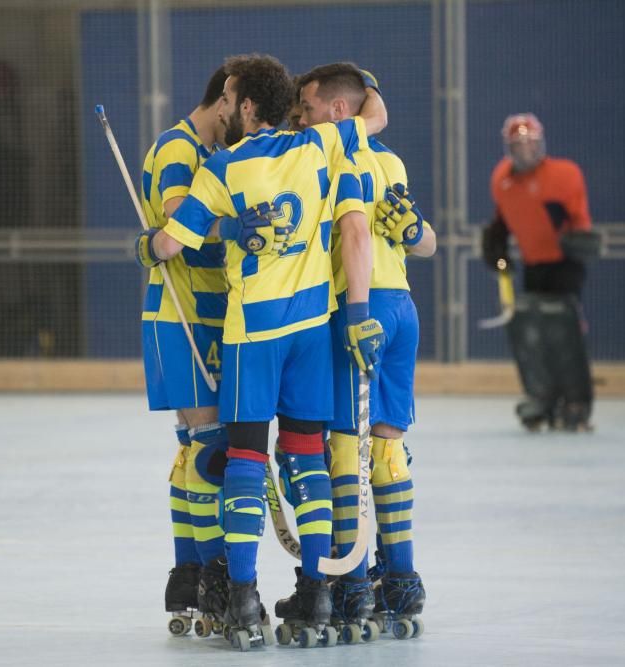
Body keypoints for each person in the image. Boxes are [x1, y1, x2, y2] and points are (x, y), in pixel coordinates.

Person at [135, 52, 384, 650]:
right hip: (310, 332)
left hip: (252, 336)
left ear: (245, 107)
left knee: (245, 461)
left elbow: (170, 242)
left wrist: (145, 247)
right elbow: (373, 113)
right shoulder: (320, 144)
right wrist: (358, 83)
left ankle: (243, 597)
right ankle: (318, 590)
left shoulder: (221, 169)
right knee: (307, 459)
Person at [296, 63, 435, 641]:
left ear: (336, 112)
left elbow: (355, 235)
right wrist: (414, 231)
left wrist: (354, 312)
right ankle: (399, 580)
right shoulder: (392, 160)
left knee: (346, 448)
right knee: (390, 444)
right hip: (404, 305)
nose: (299, 117)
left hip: (364, 306)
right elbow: (424, 243)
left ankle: (351, 585)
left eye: (306, 106)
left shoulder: (340, 157)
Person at [135, 65, 232, 634]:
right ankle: (208, 576)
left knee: (194, 446)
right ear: (224, 101)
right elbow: (177, 223)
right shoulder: (179, 148)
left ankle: (189, 575)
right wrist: (238, 224)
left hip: (200, 313)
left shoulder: (200, 147)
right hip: (183, 313)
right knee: (209, 447)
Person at [482, 113, 599, 432]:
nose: (524, 152)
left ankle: (576, 401)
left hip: (564, 264)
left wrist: (579, 243)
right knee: (530, 331)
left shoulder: (565, 175)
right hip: (533, 264)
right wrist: (496, 245)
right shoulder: (502, 180)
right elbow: (503, 220)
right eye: (517, 146)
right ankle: (541, 395)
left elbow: (577, 222)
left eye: (530, 144)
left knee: (564, 331)